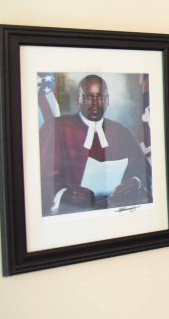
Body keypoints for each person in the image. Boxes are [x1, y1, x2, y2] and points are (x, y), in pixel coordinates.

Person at [38, 75, 151, 215]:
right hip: (71, 216)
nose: (95, 103)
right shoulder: (56, 129)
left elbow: (144, 171)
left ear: (107, 100)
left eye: (100, 97)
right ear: (77, 99)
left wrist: (135, 181)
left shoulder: (121, 132)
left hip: (116, 213)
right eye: (88, 96)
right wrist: (62, 195)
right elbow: (38, 178)